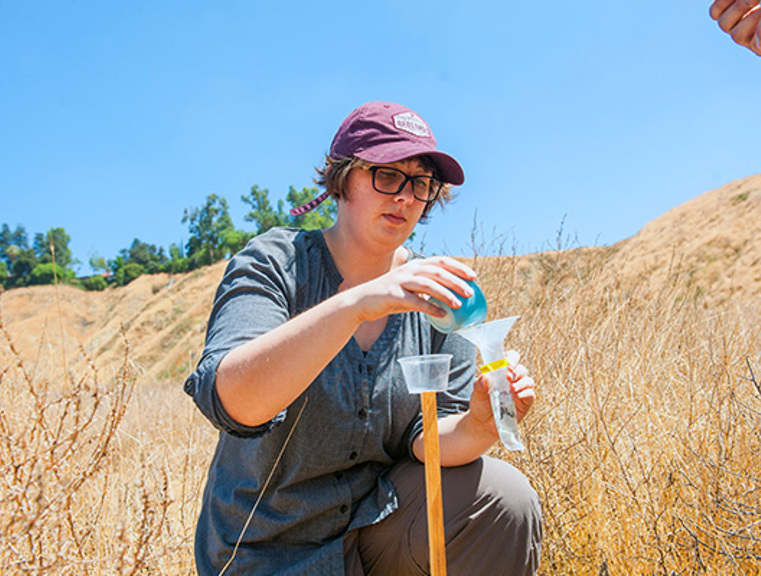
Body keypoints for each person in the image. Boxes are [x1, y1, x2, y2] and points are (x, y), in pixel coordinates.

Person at [184, 101, 542, 575]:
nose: (406, 197)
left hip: (376, 533)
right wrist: (357, 305)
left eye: (420, 183)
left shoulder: (438, 296)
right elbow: (234, 401)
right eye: (387, 175)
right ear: (342, 178)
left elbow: (426, 440)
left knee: (505, 496)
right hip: (263, 553)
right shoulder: (277, 263)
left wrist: (479, 423)